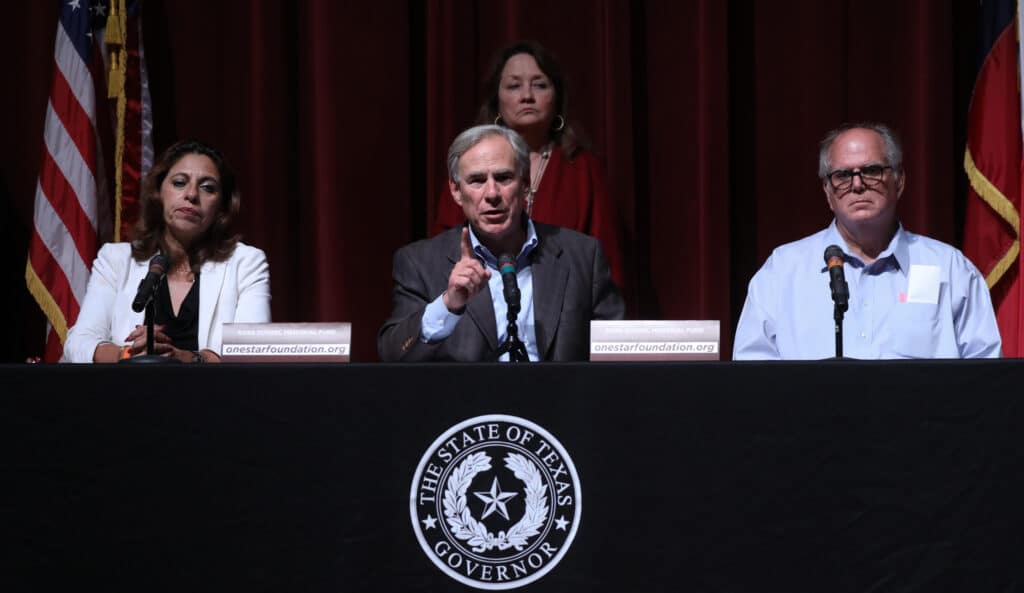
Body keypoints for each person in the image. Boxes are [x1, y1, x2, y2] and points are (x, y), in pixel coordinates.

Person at [733, 123, 1001, 360]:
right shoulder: (782, 271)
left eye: (871, 170)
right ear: (827, 191)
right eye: (842, 176)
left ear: (899, 181)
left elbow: (986, 375)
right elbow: (753, 379)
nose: (858, 184)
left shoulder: (951, 269)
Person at [379, 125, 623, 362]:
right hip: (468, 402)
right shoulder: (419, 262)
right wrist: (448, 304)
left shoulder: (582, 255)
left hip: (561, 401)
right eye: (476, 180)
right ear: (456, 190)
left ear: (525, 184)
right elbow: (393, 354)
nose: (492, 193)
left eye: (504, 178)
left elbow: (619, 353)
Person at [431, 40, 624, 288]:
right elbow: (443, 251)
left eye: (540, 85)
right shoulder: (470, 164)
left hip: (562, 307)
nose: (527, 96)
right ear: (496, 99)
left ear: (557, 97)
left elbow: (608, 266)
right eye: (514, 86)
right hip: (480, 306)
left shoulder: (584, 170)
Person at [63, 140, 271, 363]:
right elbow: (78, 343)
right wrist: (129, 354)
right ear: (158, 193)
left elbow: (253, 351)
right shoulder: (116, 260)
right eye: (179, 183)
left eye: (208, 187)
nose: (191, 195)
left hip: (212, 395)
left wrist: (186, 359)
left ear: (222, 206)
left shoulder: (246, 263)